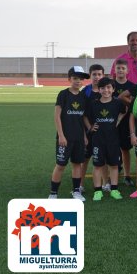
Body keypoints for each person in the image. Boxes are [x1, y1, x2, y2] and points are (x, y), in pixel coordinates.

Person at [49, 66, 90, 200]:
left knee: (77, 164)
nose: (78, 81)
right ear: (69, 79)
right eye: (75, 78)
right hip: (65, 138)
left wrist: (84, 136)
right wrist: (61, 135)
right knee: (60, 165)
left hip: (78, 137)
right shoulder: (63, 94)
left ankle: (76, 191)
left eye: (80, 79)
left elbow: (83, 117)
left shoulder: (83, 96)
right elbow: (57, 116)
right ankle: (53, 193)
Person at [84, 77, 125, 201]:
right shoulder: (94, 104)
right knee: (97, 165)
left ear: (113, 89)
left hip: (113, 139)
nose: (106, 90)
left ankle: (114, 189)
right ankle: (98, 191)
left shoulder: (118, 103)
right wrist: (90, 127)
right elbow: (85, 116)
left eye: (108, 87)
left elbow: (125, 111)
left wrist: (118, 120)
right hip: (98, 139)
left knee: (114, 165)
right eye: (103, 88)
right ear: (99, 90)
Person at [80, 64, 105, 192]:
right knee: (85, 158)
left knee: (104, 158)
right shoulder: (86, 91)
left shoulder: (106, 90)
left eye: (99, 74)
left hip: (104, 131)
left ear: (103, 75)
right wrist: (90, 128)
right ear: (90, 76)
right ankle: (80, 184)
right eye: (94, 74)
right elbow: (83, 113)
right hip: (89, 131)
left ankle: (106, 183)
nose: (97, 77)